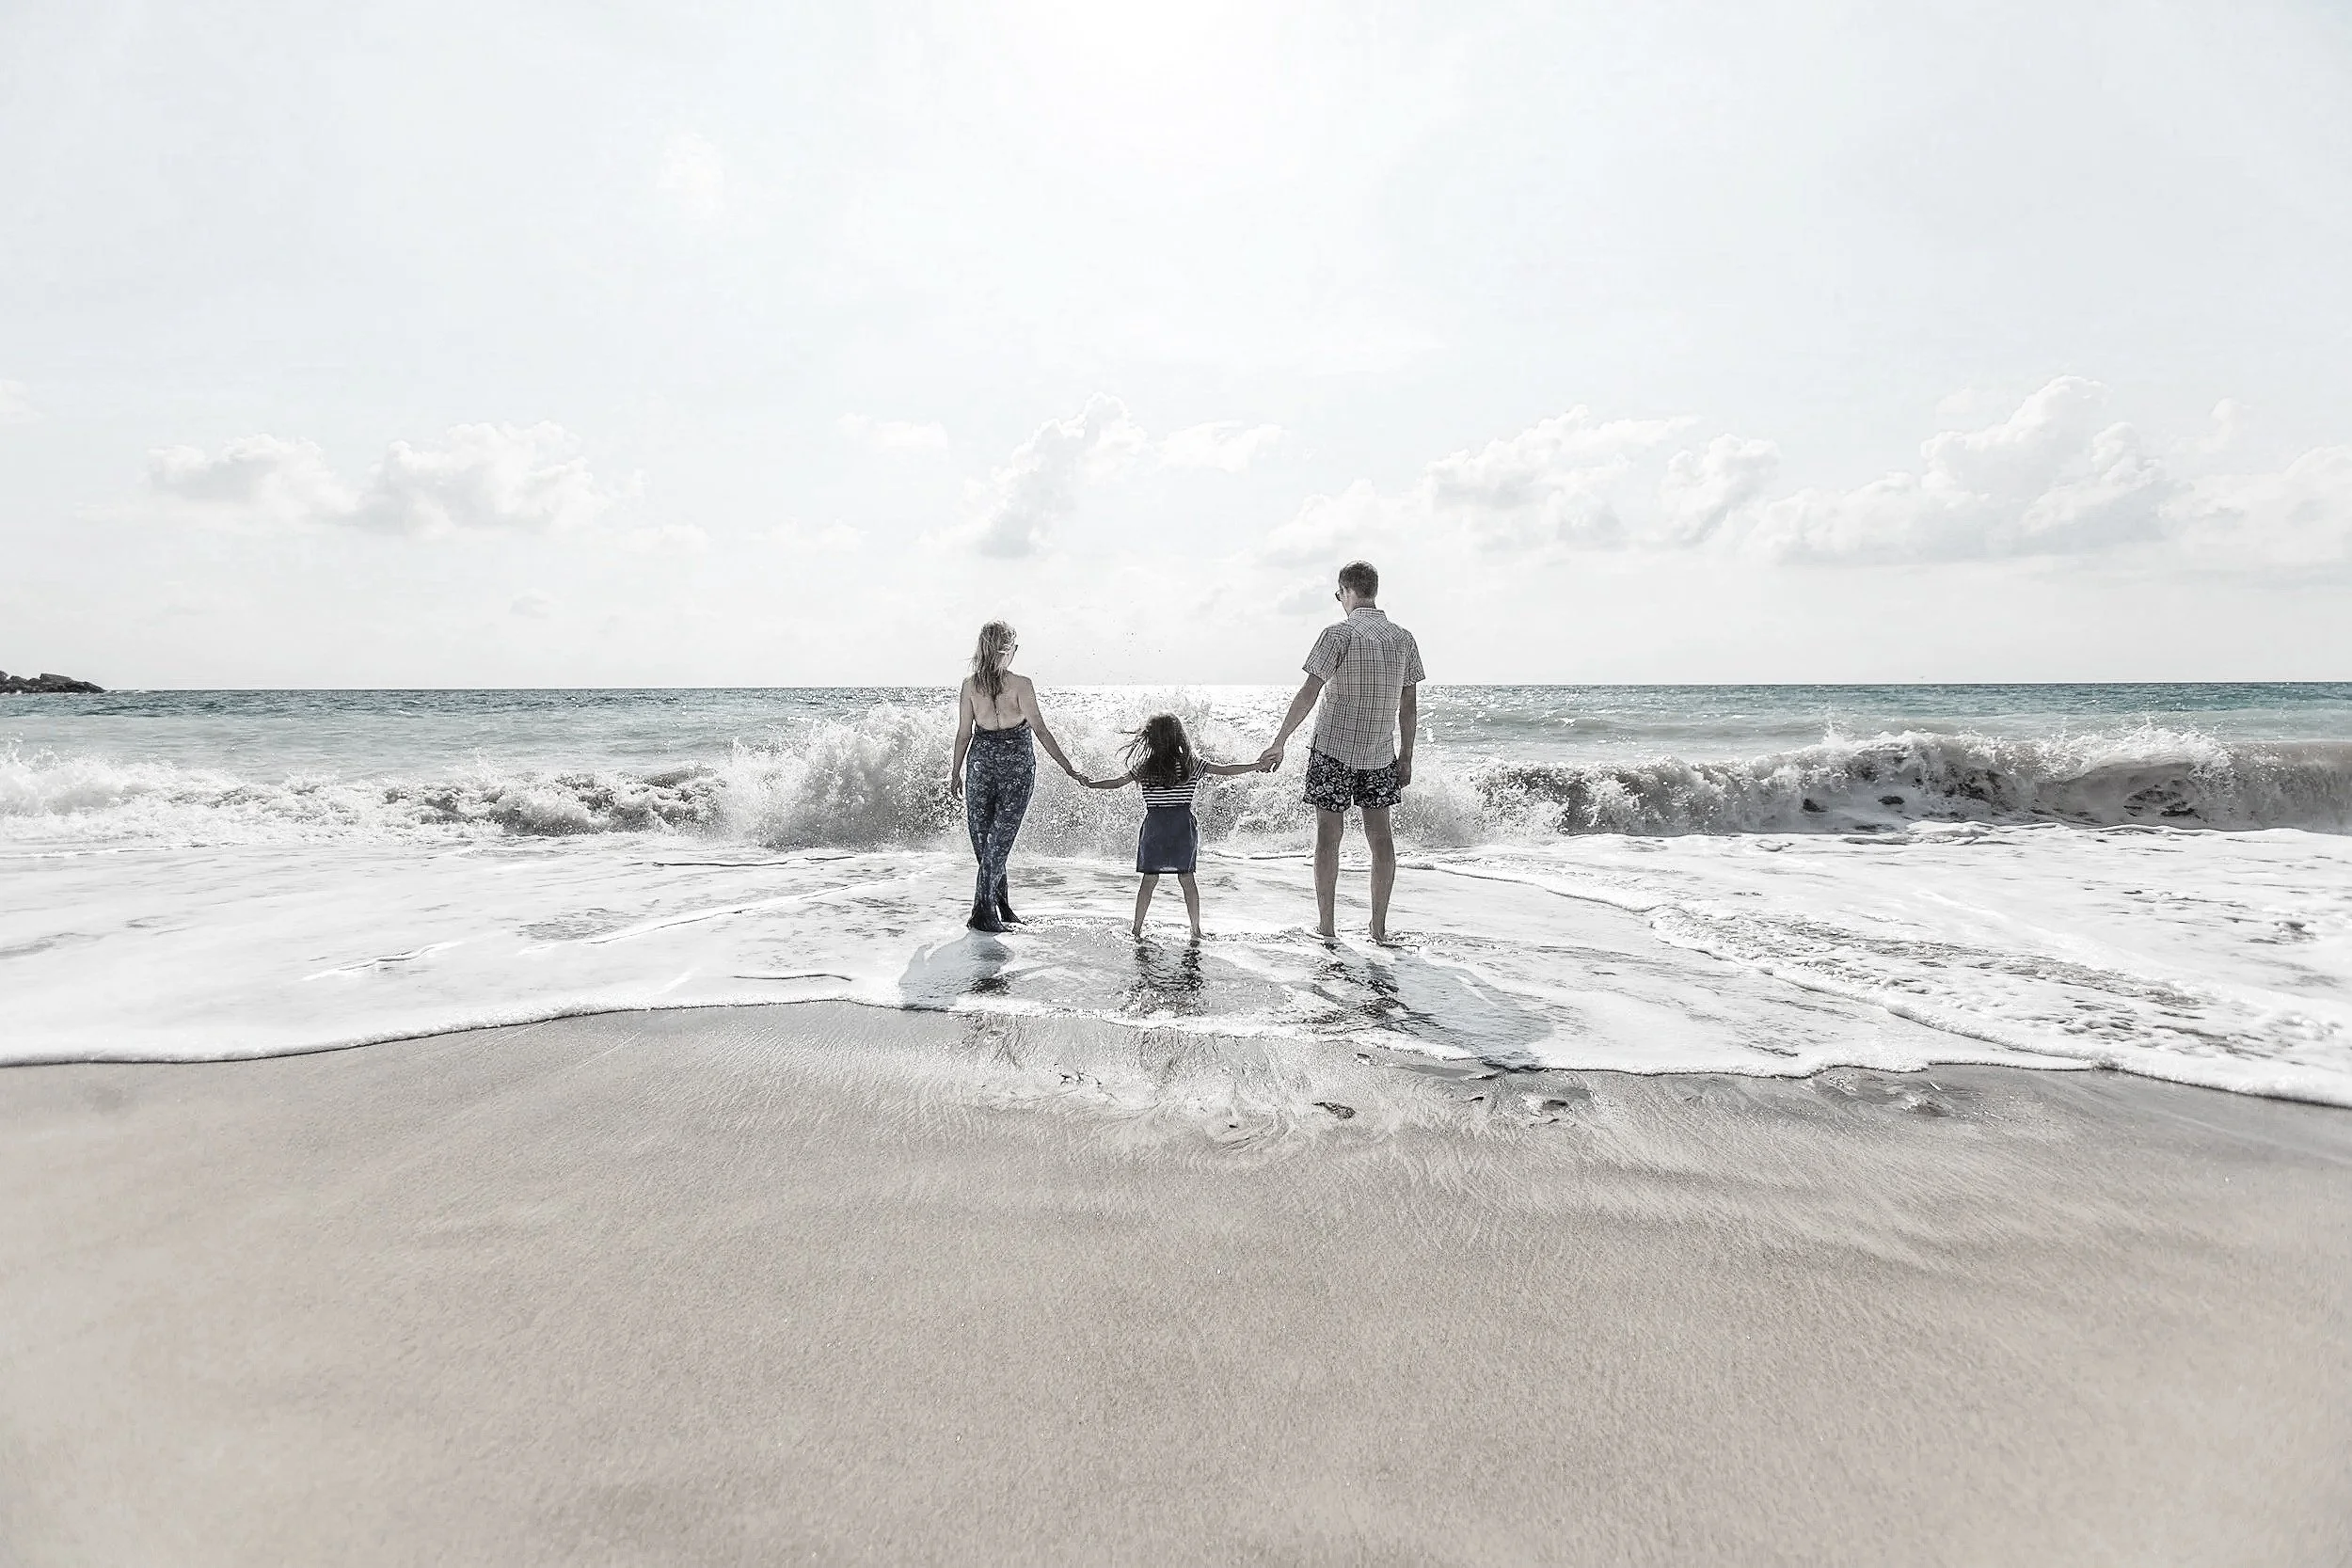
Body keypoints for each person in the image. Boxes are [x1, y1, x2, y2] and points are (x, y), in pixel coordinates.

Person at [1257, 561, 1424, 942]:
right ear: (1374, 591)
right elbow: (1409, 707)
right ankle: (1378, 929)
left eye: (1338, 595)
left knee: (1328, 837)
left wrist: (1279, 740)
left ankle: (1327, 926)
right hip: (1381, 754)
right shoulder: (1404, 639)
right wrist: (1407, 756)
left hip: (1333, 749)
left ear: (1346, 591)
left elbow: (1308, 693)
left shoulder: (1337, 635)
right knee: (1380, 838)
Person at [948, 622, 1082, 932]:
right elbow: (1040, 730)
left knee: (990, 844)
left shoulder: (971, 685)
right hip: (1013, 770)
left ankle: (992, 909)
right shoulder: (1020, 684)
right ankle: (990, 911)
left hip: (983, 768)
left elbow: (963, 734)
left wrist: (955, 772)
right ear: (1009, 649)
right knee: (992, 846)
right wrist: (1068, 766)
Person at [1080, 713, 1262, 940]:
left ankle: (1136, 929)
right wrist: (1256, 765)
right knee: (1187, 879)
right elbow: (1226, 769)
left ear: (1150, 739)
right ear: (1179, 737)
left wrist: (1091, 784)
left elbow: (1116, 783)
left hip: (1155, 826)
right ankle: (1196, 930)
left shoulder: (1145, 767)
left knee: (1149, 880)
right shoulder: (1191, 764)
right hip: (1182, 826)